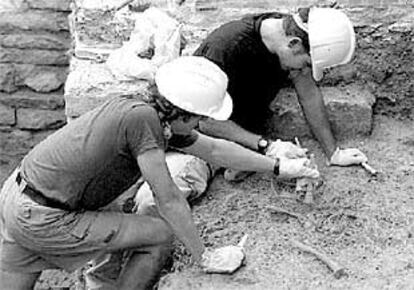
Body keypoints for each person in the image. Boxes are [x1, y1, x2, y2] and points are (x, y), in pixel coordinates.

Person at [0, 56, 319, 290]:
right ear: (183, 111)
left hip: (18, 198)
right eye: (197, 119)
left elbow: (215, 150)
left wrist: (279, 166)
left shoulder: (148, 110)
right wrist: (203, 255)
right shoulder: (144, 122)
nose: (198, 125)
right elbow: (167, 200)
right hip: (46, 216)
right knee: (159, 236)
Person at [192, 7, 368, 181]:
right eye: (307, 64)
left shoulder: (290, 32)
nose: (305, 70)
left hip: (244, 133)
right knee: (188, 179)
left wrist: (334, 153)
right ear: (294, 44)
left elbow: (309, 95)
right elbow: (206, 122)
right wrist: (267, 146)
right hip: (194, 134)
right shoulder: (225, 48)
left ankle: (243, 158)